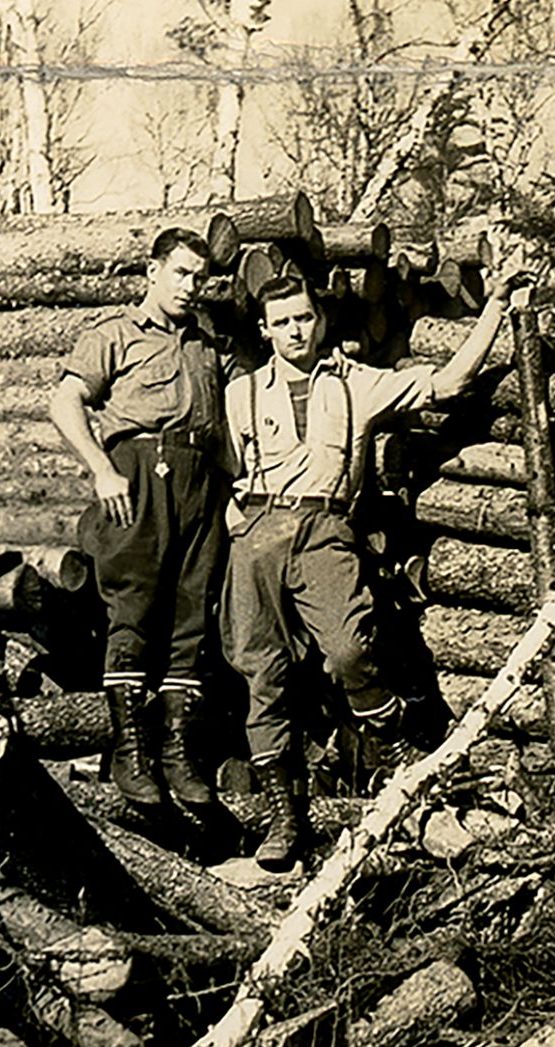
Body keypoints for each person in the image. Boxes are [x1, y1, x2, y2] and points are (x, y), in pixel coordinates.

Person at [223, 264, 530, 870]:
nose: (295, 332)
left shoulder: (355, 384)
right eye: (282, 323)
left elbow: (448, 382)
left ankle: (396, 744)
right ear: (265, 330)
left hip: (324, 528)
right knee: (262, 672)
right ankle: (288, 818)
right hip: (256, 535)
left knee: (347, 650)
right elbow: (228, 465)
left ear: (321, 321)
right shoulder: (242, 394)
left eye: (305, 319)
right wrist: (241, 524)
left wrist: (493, 309)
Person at [49, 228, 239, 810]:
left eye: (199, 278)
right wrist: (102, 470)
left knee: (191, 614)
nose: (190, 287)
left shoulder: (208, 345)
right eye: (180, 274)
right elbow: (64, 401)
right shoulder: (116, 335)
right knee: (132, 607)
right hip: (139, 473)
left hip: (199, 479)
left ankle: (178, 754)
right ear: (151, 272)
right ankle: (131, 752)